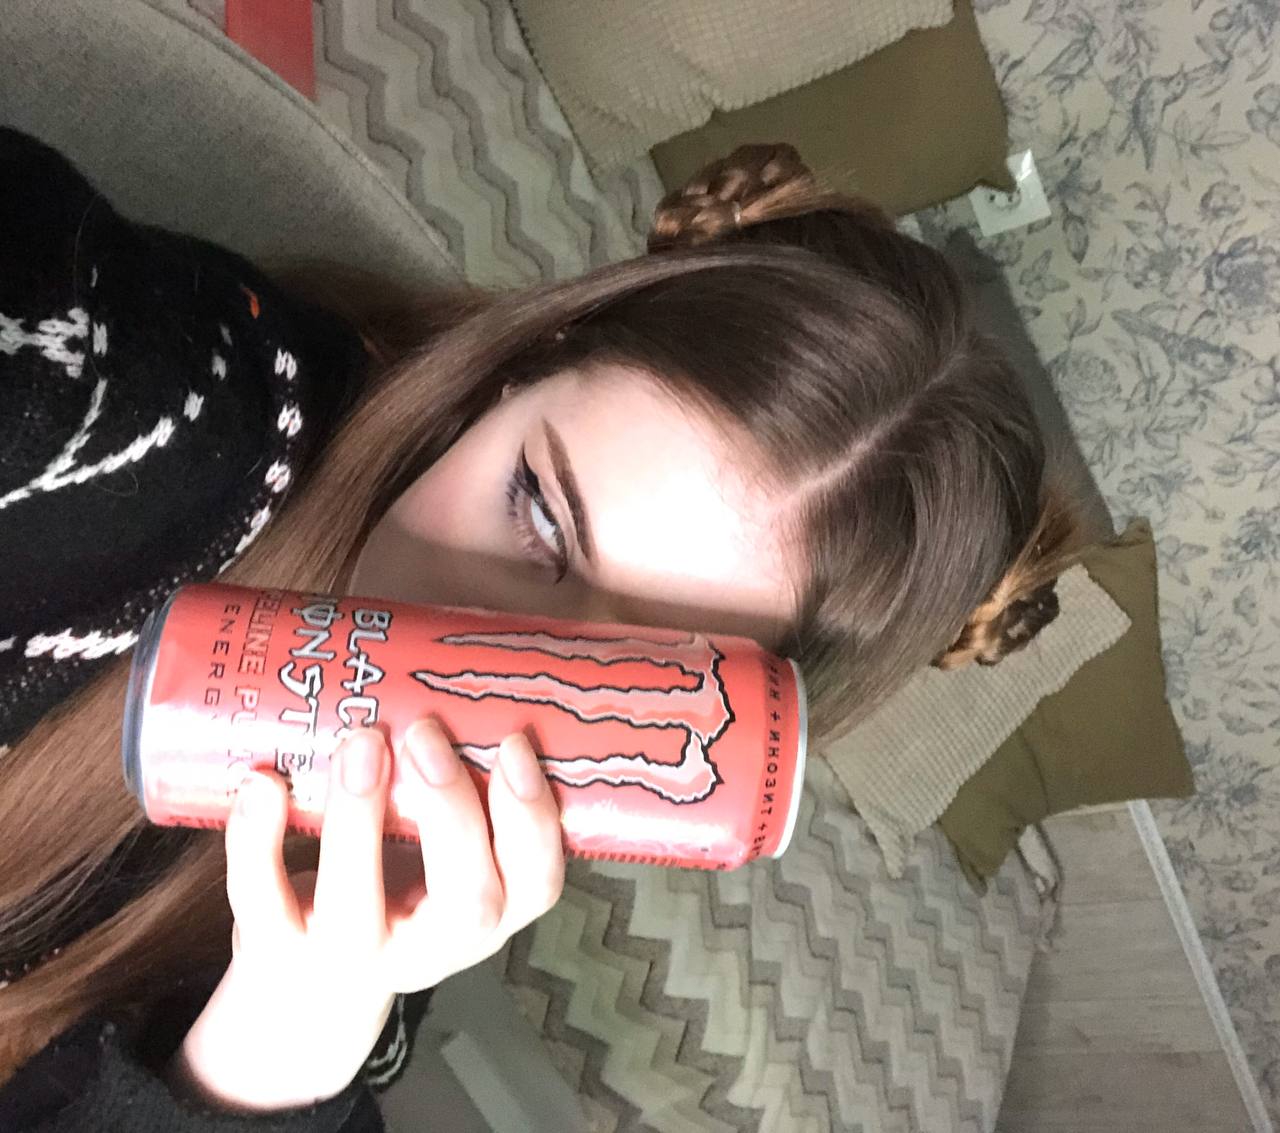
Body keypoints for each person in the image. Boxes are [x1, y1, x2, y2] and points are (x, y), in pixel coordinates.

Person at [0, 126, 1084, 1130]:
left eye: (612, 676)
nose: (479, 661)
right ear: (515, 367)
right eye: (537, 514)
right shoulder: (120, 395)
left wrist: (263, 1066)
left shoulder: (410, 896)